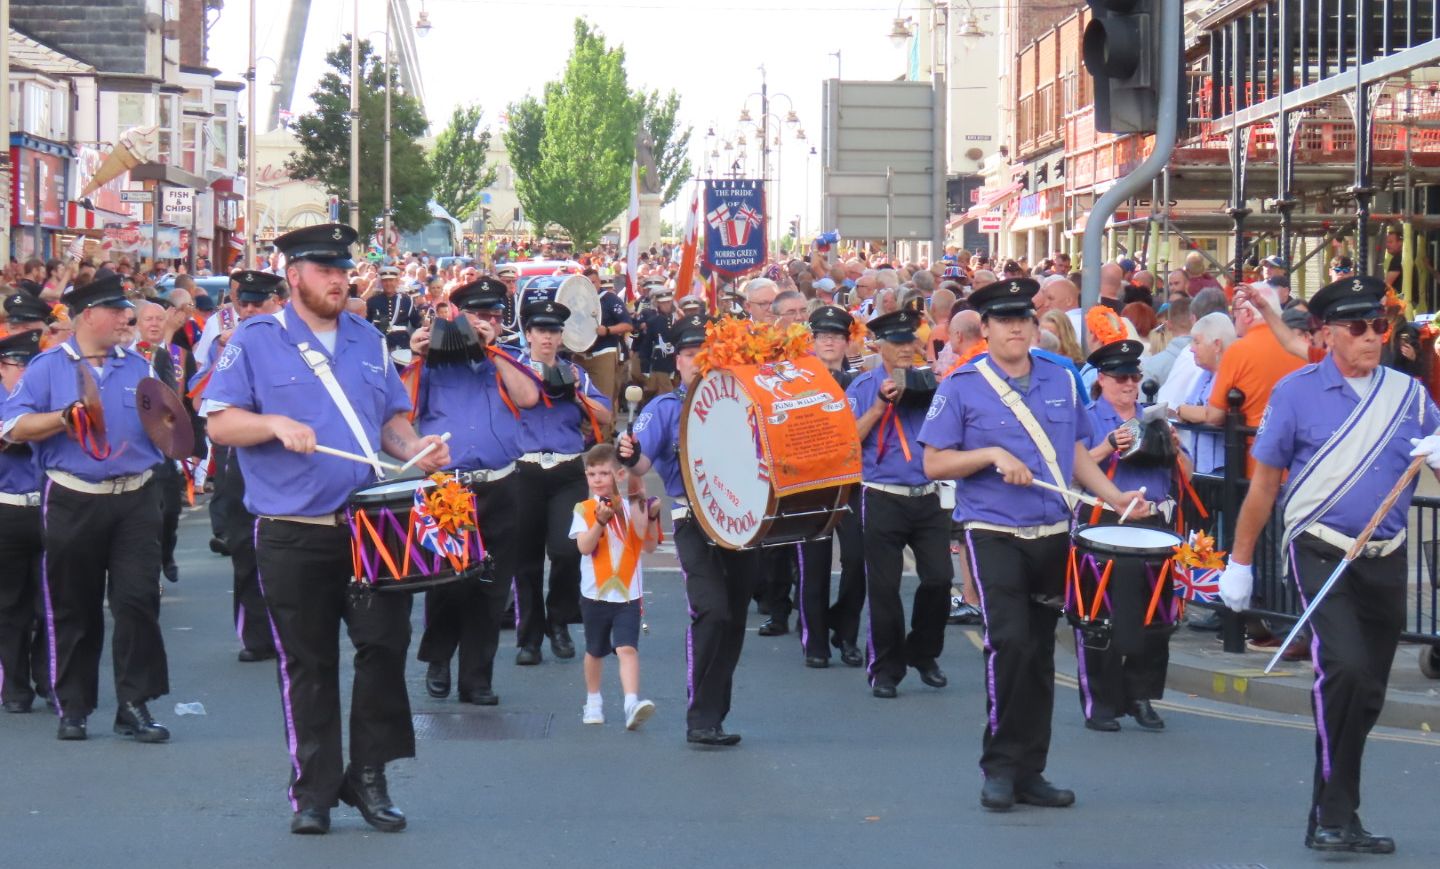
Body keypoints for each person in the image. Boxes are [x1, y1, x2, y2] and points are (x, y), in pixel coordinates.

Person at [204, 224, 451, 835]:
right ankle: (312, 790)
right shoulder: (257, 341)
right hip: (292, 530)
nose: (339, 279)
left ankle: (370, 777)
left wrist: (416, 447)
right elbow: (219, 423)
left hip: (374, 525)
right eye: (324, 270)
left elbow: (389, 421)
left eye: (343, 269)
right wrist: (272, 425)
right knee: (308, 664)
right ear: (294, 276)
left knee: (383, 650)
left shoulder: (367, 338)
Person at [1217, 276, 1433, 855]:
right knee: (1344, 668)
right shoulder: (1295, 393)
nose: (1372, 338)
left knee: (1367, 692)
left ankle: (1334, 810)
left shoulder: (1409, 398)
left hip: (1383, 555)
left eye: (1380, 327)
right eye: (1359, 328)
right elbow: (1263, 485)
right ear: (1329, 335)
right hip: (1317, 548)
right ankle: (1335, 815)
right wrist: (1239, 563)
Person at [919, 278, 1147, 812]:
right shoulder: (961, 385)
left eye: (1023, 317)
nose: (1016, 327)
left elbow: (1074, 452)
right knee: (1011, 643)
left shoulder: (1061, 378)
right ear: (988, 328)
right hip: (992, 531)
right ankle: (998, 768)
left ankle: (1031, 771)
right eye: (1004, 320)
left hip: (1051, 533)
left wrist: (1114, 498)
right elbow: (933, 462)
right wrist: (990, 454)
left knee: (1041, 651)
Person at [3, 273, 171, 743]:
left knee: (138, 600)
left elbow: (166, 422)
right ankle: (73, 706)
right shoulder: (46, 367)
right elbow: (12, 427)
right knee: (73, 605)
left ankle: (134, 705)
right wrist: (62, 418)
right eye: (118, 311)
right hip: (74, 497)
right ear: (89, 316)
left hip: (136, 495)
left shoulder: (138, 365)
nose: (128, 319)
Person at [617, 313, 761, 746]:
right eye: (688, 354)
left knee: (733, 621)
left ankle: (715, 715)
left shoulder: (744, 399)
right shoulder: (665, 408)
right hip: (694, 521)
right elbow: (639, 463)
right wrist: (628, 453)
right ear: (676, 362)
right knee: (711, 611)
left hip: (744, 523)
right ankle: (699, 718)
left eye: (706, 352)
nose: (697, 360)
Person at [408, 278, 540, 694]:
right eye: (480, 316)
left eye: (496, 316)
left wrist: (493, 350)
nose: (489, 322)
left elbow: (529, 398)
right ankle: (438, 660)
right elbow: (401, 408)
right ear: (458, 315)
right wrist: (415, 357)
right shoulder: (430, 362)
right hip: (449, 486)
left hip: (501, 485)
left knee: (491, 585)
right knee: (447, 581)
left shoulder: (509, 357)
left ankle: (476, 678)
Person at [1074, 339, 1189, 732]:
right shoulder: (1087, 418)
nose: (1129, 385)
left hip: (1153, 522)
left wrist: (1174, 448)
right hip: (1104, 520)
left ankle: (1141, 696)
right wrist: (1108, 445)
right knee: (1099, 615)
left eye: (1134, 377)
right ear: (1102, 380)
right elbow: (1072, 471)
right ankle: (1101, 704)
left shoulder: (1154, 417)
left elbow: (1185, 475)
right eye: (1121, 377)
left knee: (1155, 615)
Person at [846, 308, 952, 698]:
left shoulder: (932, 382)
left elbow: (951, 430)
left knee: (940, 579)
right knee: (885, 588)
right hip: (882, 497)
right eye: (898, 342)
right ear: (880, 347)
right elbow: (847, 442)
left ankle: (923, 652)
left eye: (911, 341)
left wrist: (938, 391)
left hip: (927, 497)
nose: (907, 349)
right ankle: (886, 669)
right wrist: (879, 405)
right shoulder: (861, 386)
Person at [512, 300, 613, 665]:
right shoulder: (514, 370)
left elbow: (606, 413)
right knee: (524, 561)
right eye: (541, 331)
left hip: (567, 470)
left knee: (567, 551)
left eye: (554, 331)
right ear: (529, 334)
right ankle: (529, 638)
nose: (548, 338)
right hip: (524, 469)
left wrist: (577, 394)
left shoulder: (575, 372)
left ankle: (559, 623)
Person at [212, 271, 285, 662]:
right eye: (246, 303)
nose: (252, 310)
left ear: (279, 301)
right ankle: (256, 636)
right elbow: (202, 403)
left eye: (261, 302)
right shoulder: (228, 345)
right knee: (244, 546)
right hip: (243, 454)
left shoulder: (294, 341)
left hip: (289, 455)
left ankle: (289, 627)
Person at [794, 306, 867, 668]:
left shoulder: (860, 383)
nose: (829, 342)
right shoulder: (794, 381)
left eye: (836, 336)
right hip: (808, 486)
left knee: (858, 559)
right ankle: (815, 641)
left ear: (846, 342)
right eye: (822, 336)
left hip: (850, 485)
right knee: (814, 566)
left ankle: (846, 631)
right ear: (812, 340)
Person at [570, 443, 660, 729]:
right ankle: (593, 699)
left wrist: (651, 515)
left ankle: (630, 702)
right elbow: (584, 546)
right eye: (592, 474)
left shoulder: (632, 507)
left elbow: (648, 546)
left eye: (604, 473)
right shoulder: (584, 509)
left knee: (627, 649)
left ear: (619, 475)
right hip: (595, 594)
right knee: (595, 650)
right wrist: (599, 523)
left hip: (627, 595)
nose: (597, 480)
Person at [0, 330, 47, 713]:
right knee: (11, 604)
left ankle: (49, 678)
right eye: (20, 365)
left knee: (53, 599)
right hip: (7, 507)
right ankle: (15, 686)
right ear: (2, 368)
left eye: (33, 364)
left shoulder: (44, 401)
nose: (27, 372)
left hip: (49, 506)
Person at [574, 274, 632, 439]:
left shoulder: (609, 299)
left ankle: (603, 442)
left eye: (593, 282)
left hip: (603, 353)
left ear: (599, 282)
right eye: (587, 282)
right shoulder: (576, 300)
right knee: (579, 398)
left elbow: (627, 324)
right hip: (579, 354)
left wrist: (607, 330)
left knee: (603, 398)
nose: (590, 285)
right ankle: (584, 438)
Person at [364, 265, 419, 349]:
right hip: (379, 343)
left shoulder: (406, 300)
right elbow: (366, 324)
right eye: (385, 280)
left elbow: (416, 322)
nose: (388, 283)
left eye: (391, 280)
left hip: (402, 344)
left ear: (397, 281)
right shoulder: (373, 301)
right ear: (381, 282)